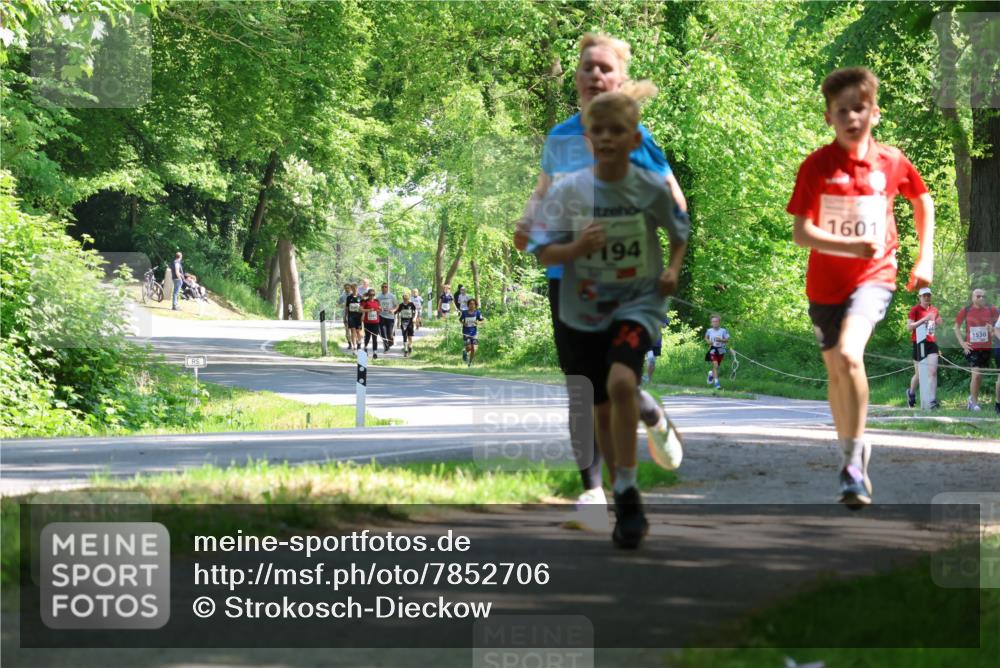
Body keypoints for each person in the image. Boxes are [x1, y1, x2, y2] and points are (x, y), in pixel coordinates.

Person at [516, 33, 689, 515]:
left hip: (628, 282)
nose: (595, 75)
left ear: (620, 80)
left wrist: (664, 258)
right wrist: (530, 221)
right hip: (570, 276)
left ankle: (644, 421)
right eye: (587, 67)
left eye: (605, 68)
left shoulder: (634, 135)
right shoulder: (560, 137)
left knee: (617, 380)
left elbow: (674, 201)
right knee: (583, 384)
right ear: (576, 80)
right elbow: (543, 192)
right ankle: (592, 488)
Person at [787, 67, 935, 509]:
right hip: (825, 286)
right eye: (842, 110)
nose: (852, 117)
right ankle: (851, 452)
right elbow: (801, 232)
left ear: (875, 112)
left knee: (851, 355)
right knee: (836, 372)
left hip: (875, 277)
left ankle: (852, 463)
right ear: (829, 117)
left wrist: (923, 256)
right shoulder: (817, 165)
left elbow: (922, 198)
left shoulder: (891, 161)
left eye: (859, 108)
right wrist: (848, 243)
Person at [953, 288, 999, 411]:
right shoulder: (966, 310)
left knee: (979, 376)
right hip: (972, 348)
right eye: (978, 296)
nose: (981, 298)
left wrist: (992, 329)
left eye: (983, 296)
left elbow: (997, 327)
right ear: (972, 297)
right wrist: (962, 343)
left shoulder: (992, 310)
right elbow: (956, 327)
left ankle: (972, 399)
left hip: (986, 347)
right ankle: (973, 403)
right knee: (977, 373)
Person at [906, 287, 942, 408]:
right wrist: (924, 319)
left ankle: (932, 400)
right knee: (919, 374)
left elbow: (937, 322)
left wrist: (938, 321)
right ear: (920, 297)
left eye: (928, 295)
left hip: (931, 343)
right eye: (924, 295)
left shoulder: (934, 309)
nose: (927, 297)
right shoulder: (915, 310)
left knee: (932, 372)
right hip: (918, 343)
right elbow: (909, 327)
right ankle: (911, 392)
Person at [642, 313, 670, 386]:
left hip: (657, 342)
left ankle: (649, 380)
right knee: (650, 358)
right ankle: (643, 376)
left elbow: (665, 325)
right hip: (648, 340)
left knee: (653, 361)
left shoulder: (662, 313)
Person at [704, 314, 730, 390]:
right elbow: (706, 337)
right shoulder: (709, 330)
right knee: (715, 364)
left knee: (717, 366)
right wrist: (708, 341)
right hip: (712, 349)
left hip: (721, 349)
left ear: (719, 322)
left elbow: (727, 340)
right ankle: (717, 384)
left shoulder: (724, 330)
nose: (714, 323)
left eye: (716, 321)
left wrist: (721, 340)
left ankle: (711, 374)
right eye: (713, 321)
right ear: (711, 323)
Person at [460, 298, 484, 367]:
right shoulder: (464, 312)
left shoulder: (477, 313)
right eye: (470, 304)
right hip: (466, 332)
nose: (472, 305)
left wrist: (478, 323)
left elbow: (482, 320)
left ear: (475, 305)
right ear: (468, 305)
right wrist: (464, 323)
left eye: (473, 304)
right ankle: (465, 351)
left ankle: (470, 363)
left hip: (474, 333)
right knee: (469, 347)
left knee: (474, 348)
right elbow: (460, 320)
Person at [360, 288, 381, 359]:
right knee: (368, 337)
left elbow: (379, 309)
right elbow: (360, 309)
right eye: (370, 295)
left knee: (375, 338)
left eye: (373, 295)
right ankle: (365, 348)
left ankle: (375, 352)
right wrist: (368, 310)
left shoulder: (377, 301)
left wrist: (380, 310)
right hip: (367, 322)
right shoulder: (365, 301)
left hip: (376, 322)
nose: (372, 296)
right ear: (368, 295)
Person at [395, 293, 418, 357]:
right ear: (403, 299)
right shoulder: (401, 305)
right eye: (405, 299)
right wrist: (397, 322)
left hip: (410, 322)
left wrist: (414, 318)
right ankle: (405, 350)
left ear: (408, 299)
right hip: (403, 323)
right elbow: (397, 312)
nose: (406, 300)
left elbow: (416, 311)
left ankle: (410, 347)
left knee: (410, 336)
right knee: (404, 336)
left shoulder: (411, 304)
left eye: (407, 299)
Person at [377, 283, 398, 353]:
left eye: (385, 287)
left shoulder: (392, 296)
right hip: (381, 316)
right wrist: (379, 308)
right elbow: (377, 306)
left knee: (390, 334)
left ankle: (390, 342)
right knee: (383, 333)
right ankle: (386, 347)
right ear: (381, 288)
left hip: (390, 317)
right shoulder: (378, 297)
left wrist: (393, 310)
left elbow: (396, 306)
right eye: (383, 287)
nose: (384, 288)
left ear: (387, 288)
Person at [345, 283, 363, 353]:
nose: (354, 289)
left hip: (358, 316)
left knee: (358, 331)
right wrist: (345, 316)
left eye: (355, 288)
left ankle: (359, 343)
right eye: (352, 288)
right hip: (351, 316)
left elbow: (363, 307)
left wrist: (363, 315)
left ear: (357, 288)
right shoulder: (349, 297)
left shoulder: (360, 297)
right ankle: (354, 346)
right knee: (352, 330)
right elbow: (347, 308)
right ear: (351, 289)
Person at [338, 283, 352, 348]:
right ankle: (349, 344)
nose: (347, 289)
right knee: (347, 329)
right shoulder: (342, 296)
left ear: (350, 288)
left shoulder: (353, 295)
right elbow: (337, 304)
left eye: (348, 288)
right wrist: (342, 305)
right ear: (344, 288)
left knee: (353, 330)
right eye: (346, 288)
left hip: (353, 314)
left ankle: (355, 342)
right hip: (345, 314)